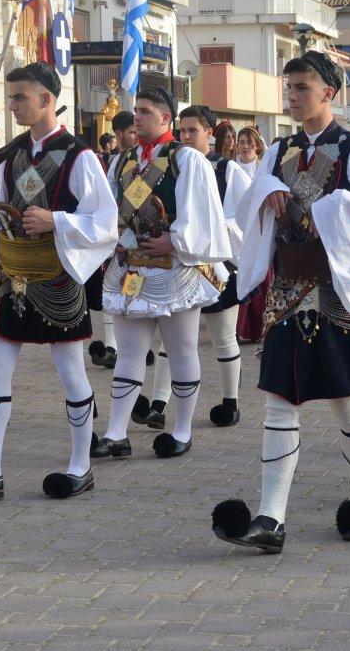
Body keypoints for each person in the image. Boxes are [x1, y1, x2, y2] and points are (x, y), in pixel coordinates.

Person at [211, 51, 350, 553]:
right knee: (280, 399)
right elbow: (248, 202)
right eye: (289, 87)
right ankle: (270, 515)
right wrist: (269, 190)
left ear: (329, 93)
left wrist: (336, 209)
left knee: (347, 400)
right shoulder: (277, 153)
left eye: (302, 87)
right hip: (286, 293)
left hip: (339, 290)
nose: (292, 96)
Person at [0, 63, 117, 503]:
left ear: (47, 100)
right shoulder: (13, 155)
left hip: (55, 277)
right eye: (12, 96)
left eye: (21, 97)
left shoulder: (80, 156)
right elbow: (1, 208)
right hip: (11, 277)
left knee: (71, 373)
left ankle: (80, 465)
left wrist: (57, 220)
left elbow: (106, 221)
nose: (13, 104)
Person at [93, 85, 231, 461]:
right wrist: (116, 239)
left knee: (182, 348)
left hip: (175, 269)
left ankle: (182, 430)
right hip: (132, 270)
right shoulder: (122, 162)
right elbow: (108, 210)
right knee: (129, 353)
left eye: (145, 111)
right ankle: (117, 432)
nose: (136, 117)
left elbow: (202, 213)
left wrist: (176, 240)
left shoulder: (186, 160)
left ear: (166, 118)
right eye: (136, 110)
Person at [141, 105, 251, 429]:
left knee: (222, 335)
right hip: (175, 262)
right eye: (182, 130)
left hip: (216, 263)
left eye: (194, 130)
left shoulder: (228, 170)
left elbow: (243, 218)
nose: (186, 136)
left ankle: (230, 402)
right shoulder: (169, 163)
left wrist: (208, 232)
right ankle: (159, 403)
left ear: (210, 133)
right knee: (170, 338)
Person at [88, 109, 138, 372]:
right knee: (113, 288)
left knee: (136, 291)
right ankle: (113, 346)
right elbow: (107, 199)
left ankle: (134, 344)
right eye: (131, 131)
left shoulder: (149, 159)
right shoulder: (113, 163)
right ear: (119, 134)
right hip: (119, 236)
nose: (136, 135)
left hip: (143, 238)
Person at [235, 126, 270, 342]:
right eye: (242, 142)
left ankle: (260, 326)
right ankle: (243, 328)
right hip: (236, 231)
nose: (245, 146)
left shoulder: (262, 169)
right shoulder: (231, 168)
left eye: (249, 143)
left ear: (256, 146)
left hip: (257, 229)